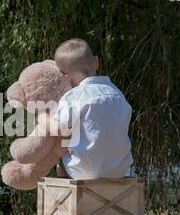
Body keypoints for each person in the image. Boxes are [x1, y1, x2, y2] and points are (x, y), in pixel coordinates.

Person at [38, 38, 133, 179]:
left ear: (65, 77)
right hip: (119, 170)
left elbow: (59, 129)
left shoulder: (72, 96)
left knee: (61, 156)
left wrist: (41, 116)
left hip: (83, 172)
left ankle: (68, 196)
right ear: (96, 62)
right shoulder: (118, 94)